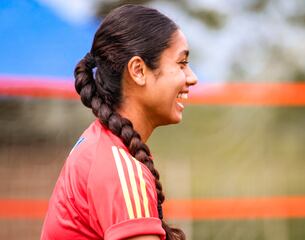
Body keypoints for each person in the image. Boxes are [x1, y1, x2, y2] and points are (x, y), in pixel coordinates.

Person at [41, 4, 197, 240]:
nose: (192, 78)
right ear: (138, 70)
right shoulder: (118, 168)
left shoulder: (103, 146)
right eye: (181, 64)